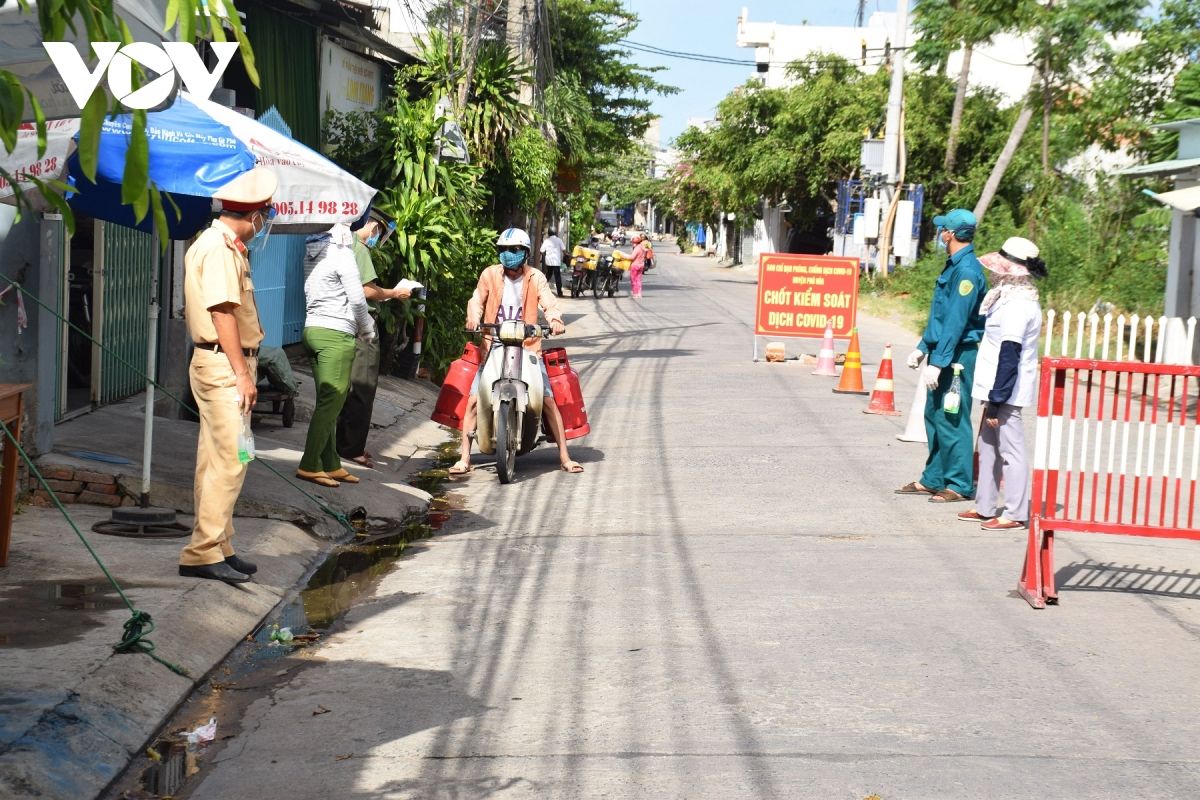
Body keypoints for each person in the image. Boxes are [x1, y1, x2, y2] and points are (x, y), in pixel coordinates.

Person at [179, 167, 277, 584]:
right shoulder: (218, 248)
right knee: (232, 460)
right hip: (224, 367)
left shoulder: (225, 246)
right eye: (266, 213)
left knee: (218, 459)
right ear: (253, 213)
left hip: (223, 365)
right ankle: (203, 552)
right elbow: (222, 312)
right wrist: (242, 373)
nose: (266, 220)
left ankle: (219, 544)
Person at [449, 228, 584, 476]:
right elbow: (476, 300)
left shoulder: (536, 277)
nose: (508, 254)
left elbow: (549, 302)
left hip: (528, 345)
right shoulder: (490, 274)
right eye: (504, 250)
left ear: (525, 253)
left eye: (514, 250)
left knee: (547, 399)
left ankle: (565, 457)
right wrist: (473, 319)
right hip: (494, 344)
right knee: (474, 399)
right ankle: (464, 457)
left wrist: (554, 320)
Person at [896, 208, 987, 503]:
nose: (940, 234)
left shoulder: (967, 272)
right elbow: (941, 316)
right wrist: (923, 347)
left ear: (950, 234)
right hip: (943, 351)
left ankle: (959, 483)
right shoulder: (954, 266)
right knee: (934, 416)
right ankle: (934, 477)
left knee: (953, 418)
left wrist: (939, 361)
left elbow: (956, 321)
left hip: (957, 356)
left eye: (942, 229)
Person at [958, 237, 1047, 530]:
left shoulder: (1019, 306)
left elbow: (1010, 355)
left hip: (1006, 391)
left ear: (1011, 271)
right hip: (994, 388)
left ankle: (1015, 512)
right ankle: (984, 506)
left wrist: (997, 401)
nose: (994, 272)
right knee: (987, 448)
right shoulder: (1005, 298)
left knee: (1011, 452)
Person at [296, 223, 375, 487]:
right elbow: (357, 300)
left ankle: (331, 463)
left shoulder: (312, 251)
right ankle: (309, 464)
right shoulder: (342, 255)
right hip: (336, 335)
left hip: (313, 330)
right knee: (332, 404)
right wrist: (367, 329)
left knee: (328, 401)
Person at [335, 211, 410, 468]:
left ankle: (342, 444)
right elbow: (367, 290)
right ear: (371, 225)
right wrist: (394, 292)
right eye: (379, 231)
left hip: (337, 324)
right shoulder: (359, 248)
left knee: (341, 389)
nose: (378, 238)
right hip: (360, 326)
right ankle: (352, 448)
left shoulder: (337, 243)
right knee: (362, 388)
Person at [615, 234, 649, 299]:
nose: (632, 244)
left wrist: (623, 255)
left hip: (635, 266)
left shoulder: (637, 248)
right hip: (641, 265)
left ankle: (635, 294)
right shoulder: (643, 247)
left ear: (635, 242)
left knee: (634, 280)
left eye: (633, 243)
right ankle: (639, 294)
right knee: (638, 280)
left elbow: (632, 257)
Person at [539, 228, 567, 297]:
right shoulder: (559, 240)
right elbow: (564, 250)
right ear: (556, 233)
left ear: (549, 233)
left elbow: (542, 251)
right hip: (556, 262)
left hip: (548, 261)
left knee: (548, 275)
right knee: (557, 277)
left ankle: (541, 289)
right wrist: (566, 255)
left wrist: (546, 255)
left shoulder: (546, 241)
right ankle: (559, 293)